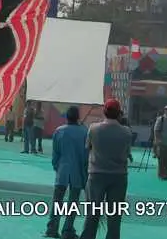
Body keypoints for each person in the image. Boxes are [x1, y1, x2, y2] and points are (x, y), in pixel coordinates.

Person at [79, 98, 132, 239]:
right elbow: (127, 152)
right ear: (119, 113)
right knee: (114, 216)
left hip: (97, 174)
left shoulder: (94, 128)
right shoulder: (126, 132)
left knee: (92, 213)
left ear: (104, 111)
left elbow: (88, 147)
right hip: (119, 176)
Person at [46, 106, 88, 239]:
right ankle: (67, 229)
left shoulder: (59, 131)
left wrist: (56, 166)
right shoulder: (84, 132)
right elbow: (86, 155)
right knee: (73, 202)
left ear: (67, 117)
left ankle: (52, 228)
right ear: (78, 117)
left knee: (57, 201)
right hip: (78, 172)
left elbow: (56, 153)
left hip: (62, 171)